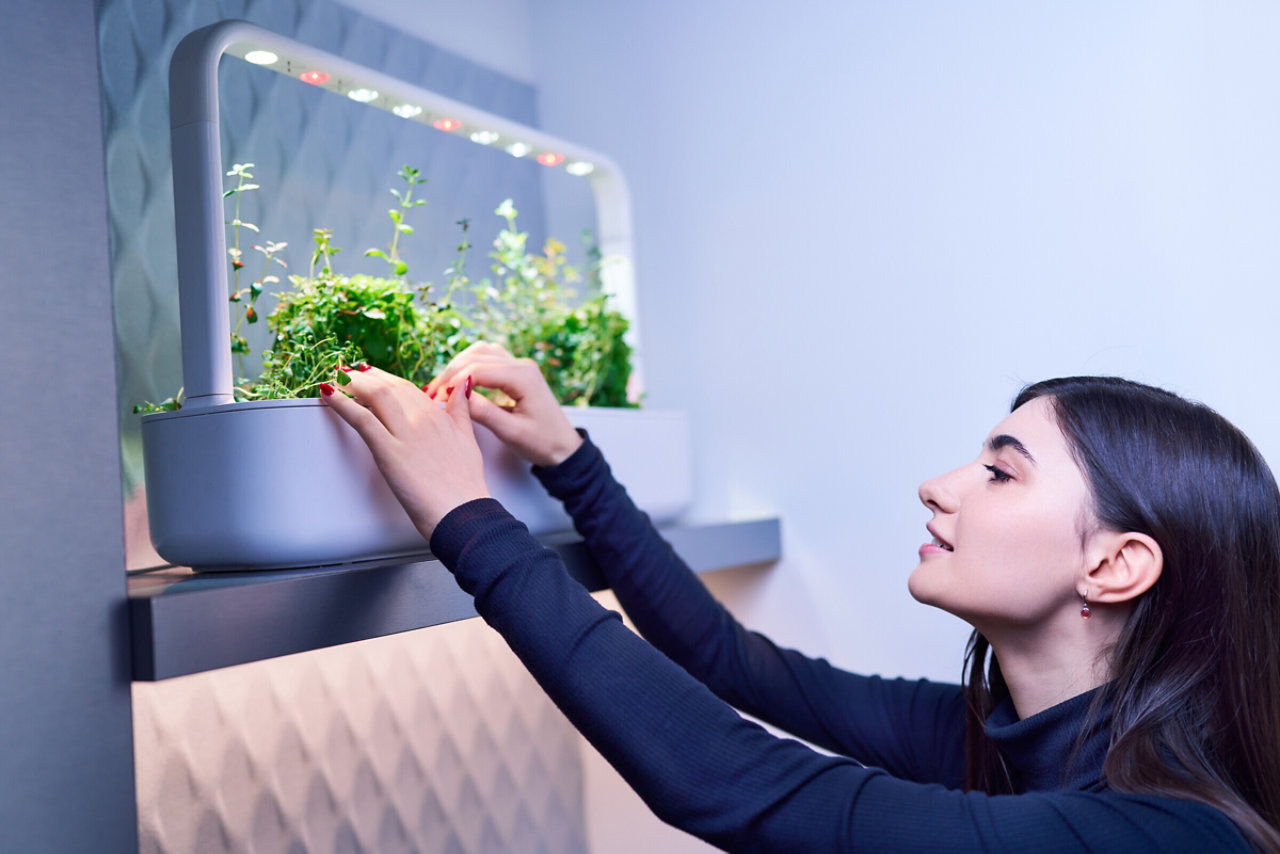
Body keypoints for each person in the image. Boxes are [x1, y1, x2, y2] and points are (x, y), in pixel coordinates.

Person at [320, 344, 1280, 852]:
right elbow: (731, 663)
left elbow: (735, 784)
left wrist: (468, 519)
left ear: (1115, 566)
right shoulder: (1001, 736)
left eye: (1000, 472)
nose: (939, 485)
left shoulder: (1164, 837)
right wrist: (571, 461)